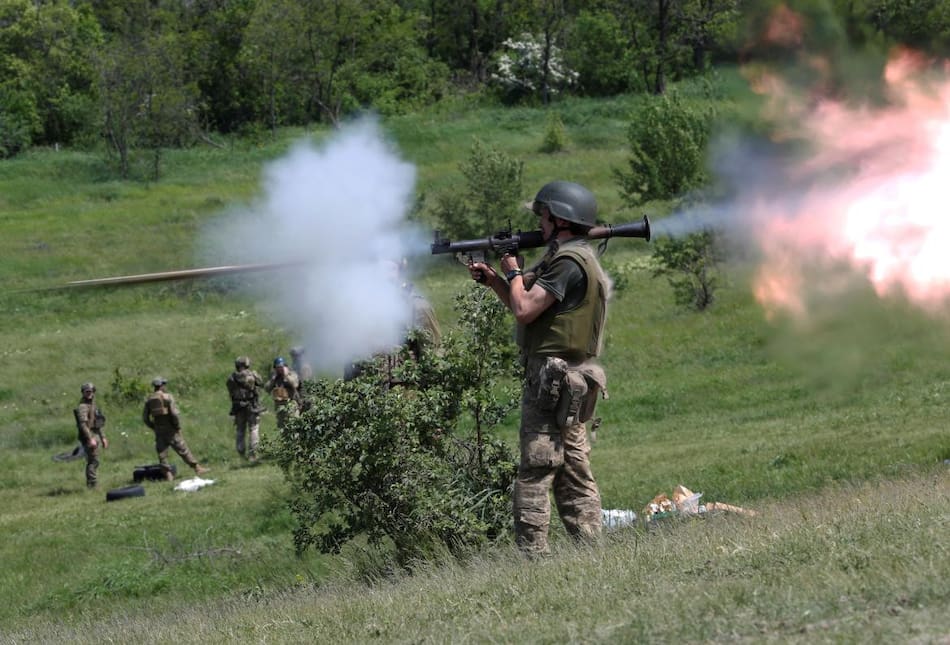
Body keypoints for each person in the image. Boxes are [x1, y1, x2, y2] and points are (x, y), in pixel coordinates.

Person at [468, 180, 610, 555]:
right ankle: (590, 549)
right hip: (568, 379)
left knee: (537, 465)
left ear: (560, 219)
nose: (539, 223)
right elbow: (527, 305)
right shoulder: (570, 258)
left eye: (544, 216)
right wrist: (496, 280)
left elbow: (524, 309)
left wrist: (513, 272)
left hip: (551, 379)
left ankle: (532, 556)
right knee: (573, 468)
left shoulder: (566, 263)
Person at [344, 259, 441, 387]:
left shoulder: (417, 307)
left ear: (400, 271)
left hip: (406, 392)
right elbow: (351, 361)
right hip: (370, 392)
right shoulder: (361, 310)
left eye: (391, 269)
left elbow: (434, 356)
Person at [142, 377, 209, 480]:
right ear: (162, 385)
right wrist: (177, 426)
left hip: (159, 428)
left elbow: (145, 418)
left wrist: (153, 427)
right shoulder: (168, 397)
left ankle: (168, 474)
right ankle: (197, 468)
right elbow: (174, 414)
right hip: (170, 428)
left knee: (162, 453)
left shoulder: (149, 400)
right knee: (182, 448)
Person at [226, 356, 264, 461]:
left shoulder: (232, 377)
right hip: (252, 406)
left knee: (240, 430)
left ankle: (241, 453)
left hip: (238, 406)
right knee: (254, 429)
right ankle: (253, 454)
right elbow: (261, 383)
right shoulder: (252, 375)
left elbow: (230, 390)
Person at [73, 382, 107, 488]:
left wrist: (103, 437)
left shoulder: (92, 405)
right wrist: (90, 438)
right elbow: (83, 425)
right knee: (93, 461)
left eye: (91, 391)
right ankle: (93, 484)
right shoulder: (83, 407)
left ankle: (92, 483)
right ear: (83, 393)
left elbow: (98, 423)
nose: (89, 393)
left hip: (94, 434)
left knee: (95, 460)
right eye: (87, 392)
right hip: (88, 436)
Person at [264, 357, 301, 430]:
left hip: (291, 405)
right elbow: (267, 388)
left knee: (293, 427)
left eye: (281, 367)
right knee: (282, 428)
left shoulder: (291, 374)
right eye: (277, 367)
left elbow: (295, 384)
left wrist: (286, 375)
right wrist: (273, 379)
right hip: (279, 406)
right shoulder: (275, 377)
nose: (279, 369)